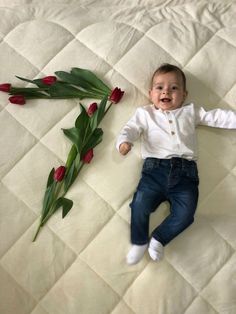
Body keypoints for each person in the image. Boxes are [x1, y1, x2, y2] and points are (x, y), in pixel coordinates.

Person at [116, 63, 236, 265]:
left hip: (186, 173)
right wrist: (124, 142)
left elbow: (217, 117)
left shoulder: (190, 111)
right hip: (154, 171)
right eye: (159, 87)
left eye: (174, 88)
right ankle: (138, 242)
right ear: (150, 93)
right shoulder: (145, 114)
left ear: (184, 94)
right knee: (139, 204)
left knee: (186, 214)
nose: (166, 92)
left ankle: (159, 238)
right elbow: (131, 128)